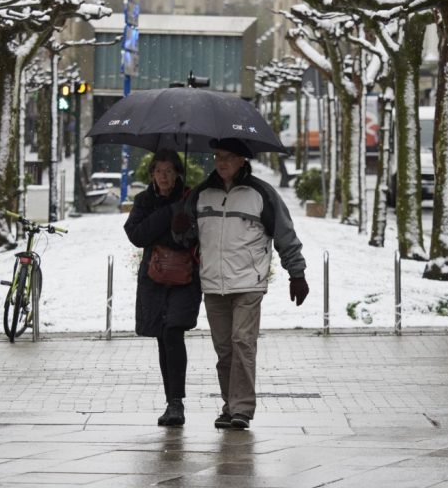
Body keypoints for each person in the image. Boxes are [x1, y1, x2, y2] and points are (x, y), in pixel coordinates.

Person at [174, 137, 309, 431]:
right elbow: (187, 239)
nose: (221, 163)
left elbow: (285, 235)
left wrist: (296, 274)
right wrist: (182, 228)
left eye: (229, 157)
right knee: (225, 349)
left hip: (249, 282)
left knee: (242, 344)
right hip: (213, 284)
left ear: (243, 160)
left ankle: (242, 409)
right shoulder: (201, 194)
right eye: (218, 156)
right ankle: (229, 405)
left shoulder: (261, 194)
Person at [124, 149, 201, 428]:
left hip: (184, 278)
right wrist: (168, 214)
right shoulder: (145, 200)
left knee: (173, 332)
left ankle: (176, 402)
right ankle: (171, 400)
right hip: (155, 280)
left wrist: (183, 228)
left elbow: (195, 236)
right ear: (152, 173)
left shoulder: (190, 198)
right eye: (159, 171)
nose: (164, 176)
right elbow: (136, 234)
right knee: (161, 336)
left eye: (169, 171)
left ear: (178, 173)